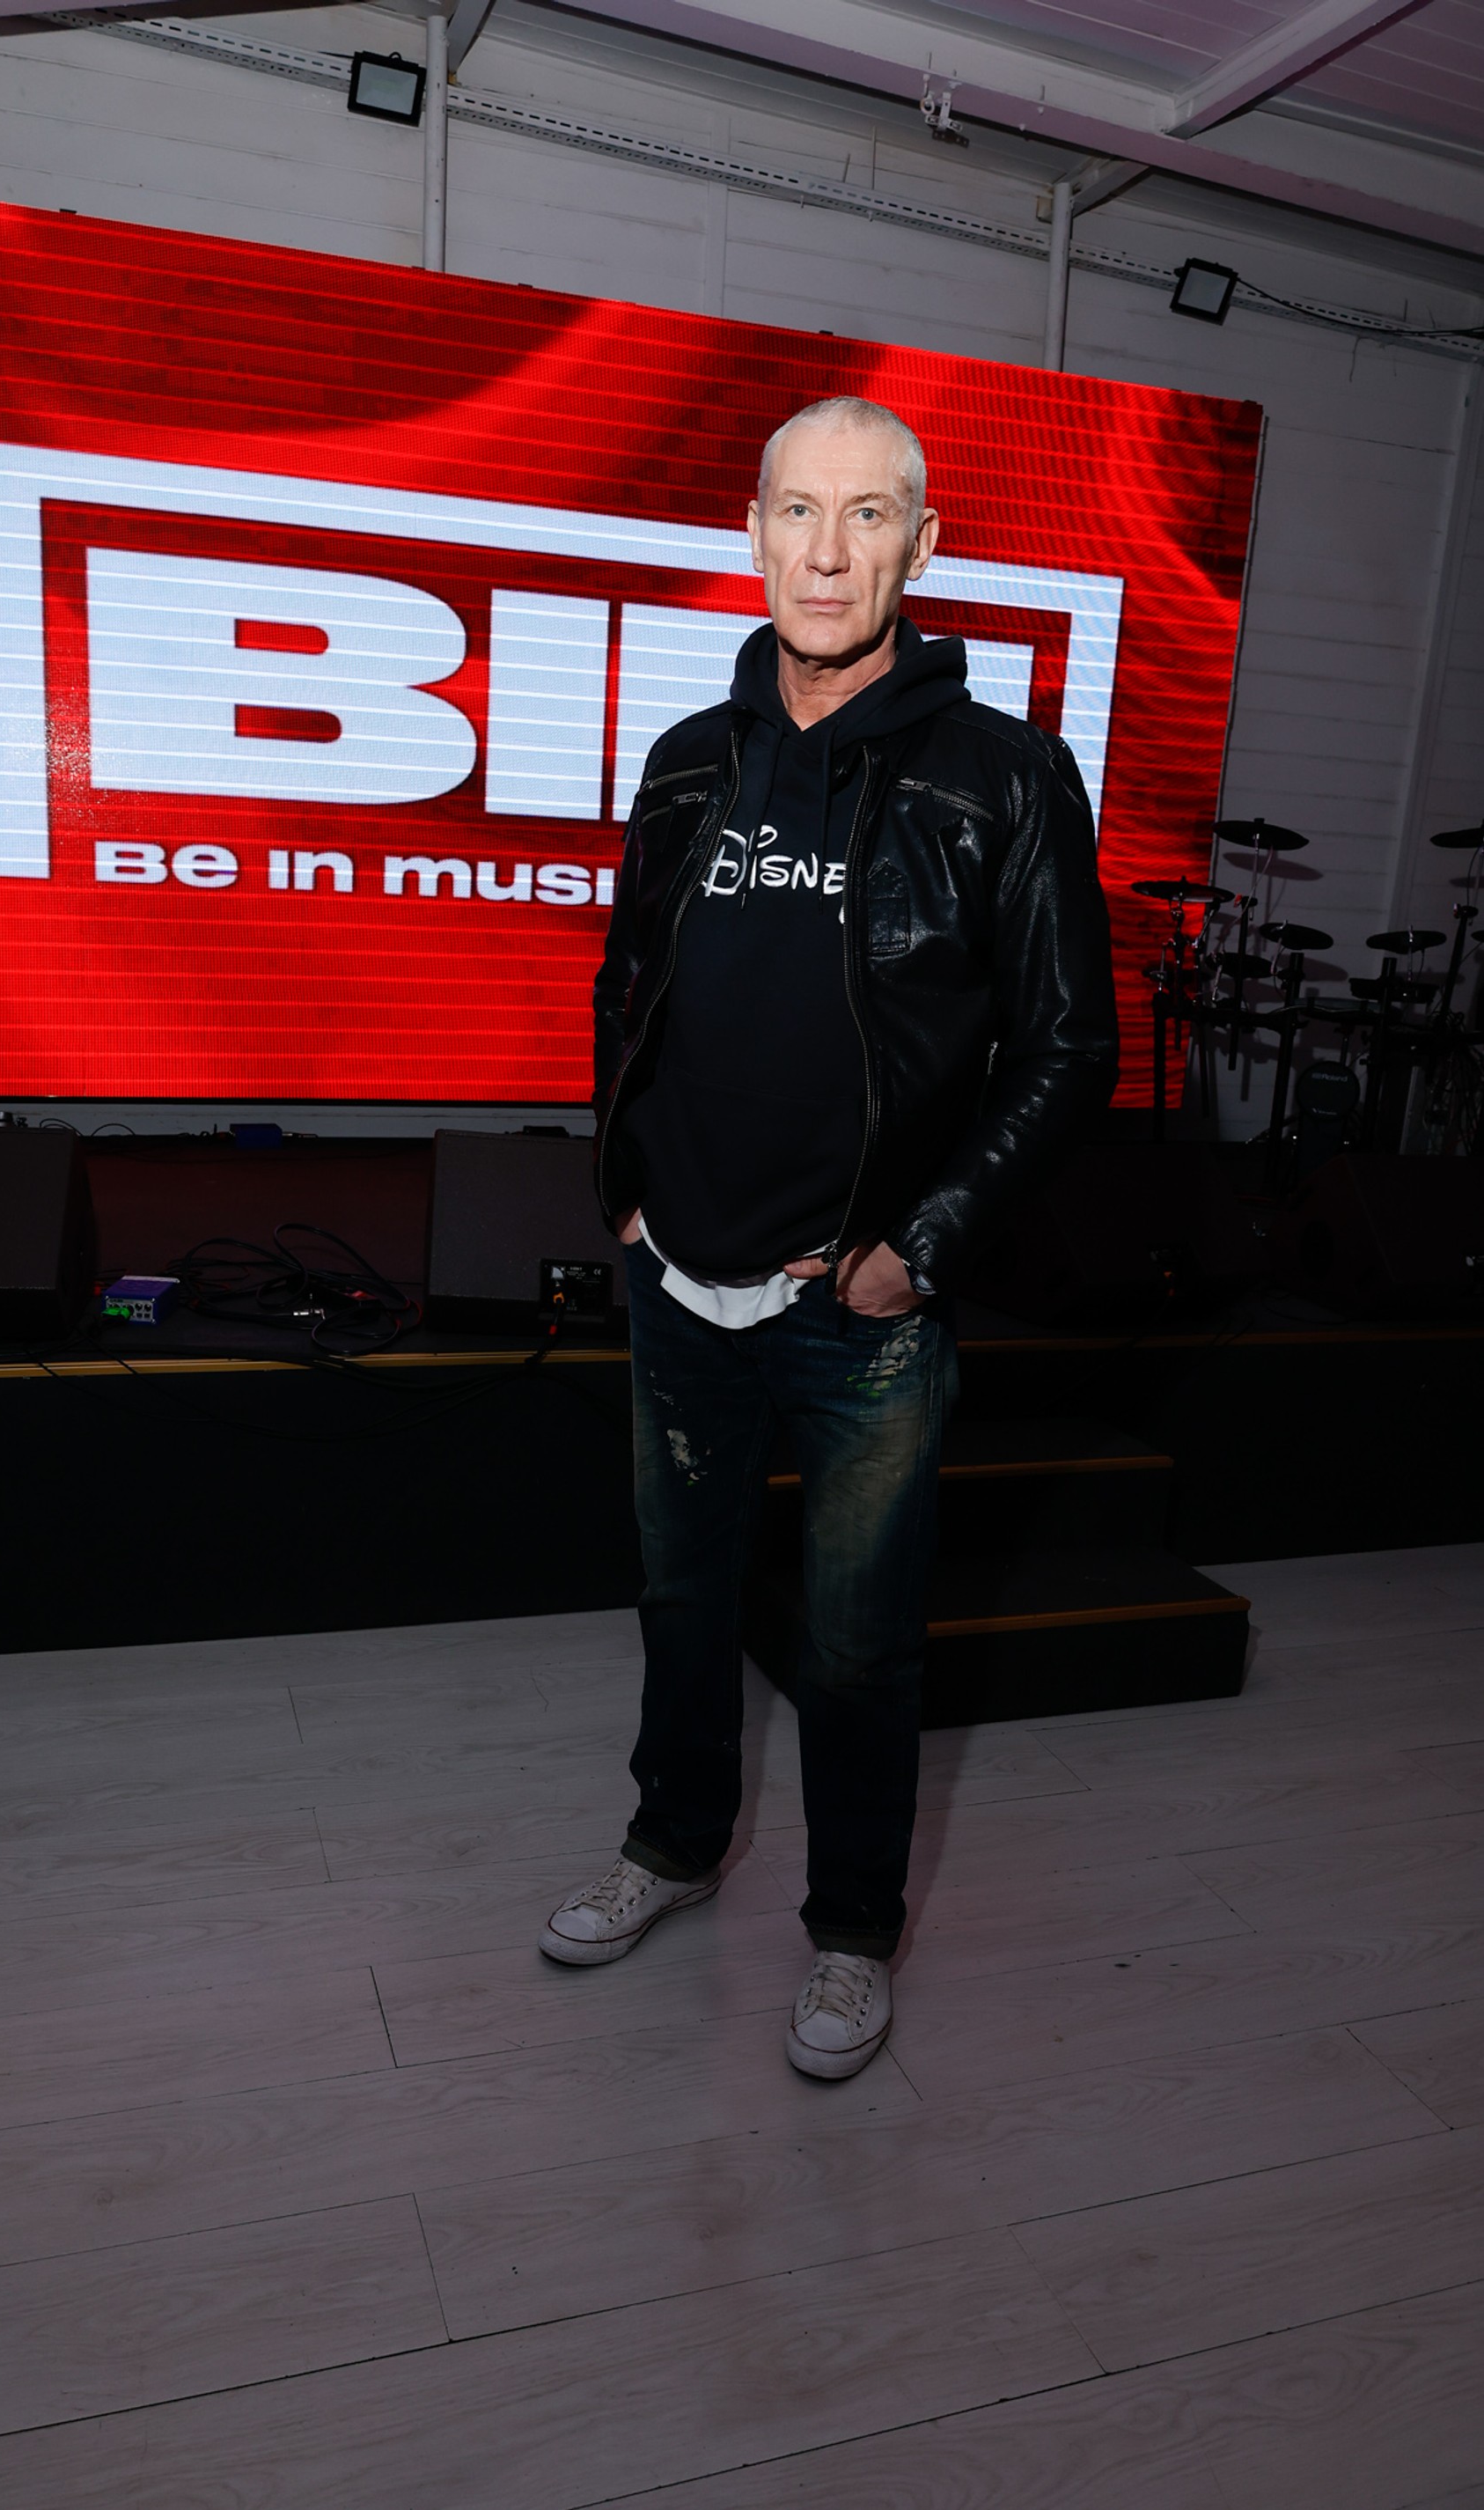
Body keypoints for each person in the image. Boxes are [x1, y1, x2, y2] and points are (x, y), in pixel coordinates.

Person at [538, 396, 1118, 2079]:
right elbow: (627, 984)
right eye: (800, 510)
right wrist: (624, 1186)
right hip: (678, 1276)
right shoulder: (687, 758)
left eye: (869, 516)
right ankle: (672, 1845)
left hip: (857, 1306)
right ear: (755, 530)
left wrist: (917, 1248)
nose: (829, 551)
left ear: (920, 547)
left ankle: (854, 1931)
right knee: (680, 1596)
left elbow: (1072, 1048)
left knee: (857, 1650)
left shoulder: (1006, 776)